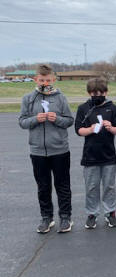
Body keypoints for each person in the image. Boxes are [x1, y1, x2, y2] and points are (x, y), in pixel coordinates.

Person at [19, 63, 74, 234]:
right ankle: (46, 217)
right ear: (36, 79)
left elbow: (69, 120)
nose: (45, 83)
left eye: (48, 80)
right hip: (37, 151)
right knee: (43, 186)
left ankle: (65, 217)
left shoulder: (61, 98)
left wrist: (56, 119)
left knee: (62, 185)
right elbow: (22, 122)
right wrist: (36, 119)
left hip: (59, 150)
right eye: (42, 80)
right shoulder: (28, 98)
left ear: (54, 80)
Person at [75, 77, 116, 229]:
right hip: (90, 156)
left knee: (109, 186)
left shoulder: (114, 108)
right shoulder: (83, 108)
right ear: (89, 93)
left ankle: (110, 213)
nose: (97, 96)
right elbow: (79, 130)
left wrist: (111, 127)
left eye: (100, 93)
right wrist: (90, 129)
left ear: (106, 92)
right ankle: (92, 213)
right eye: (94, 93)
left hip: (108, 156)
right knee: (91, 187)